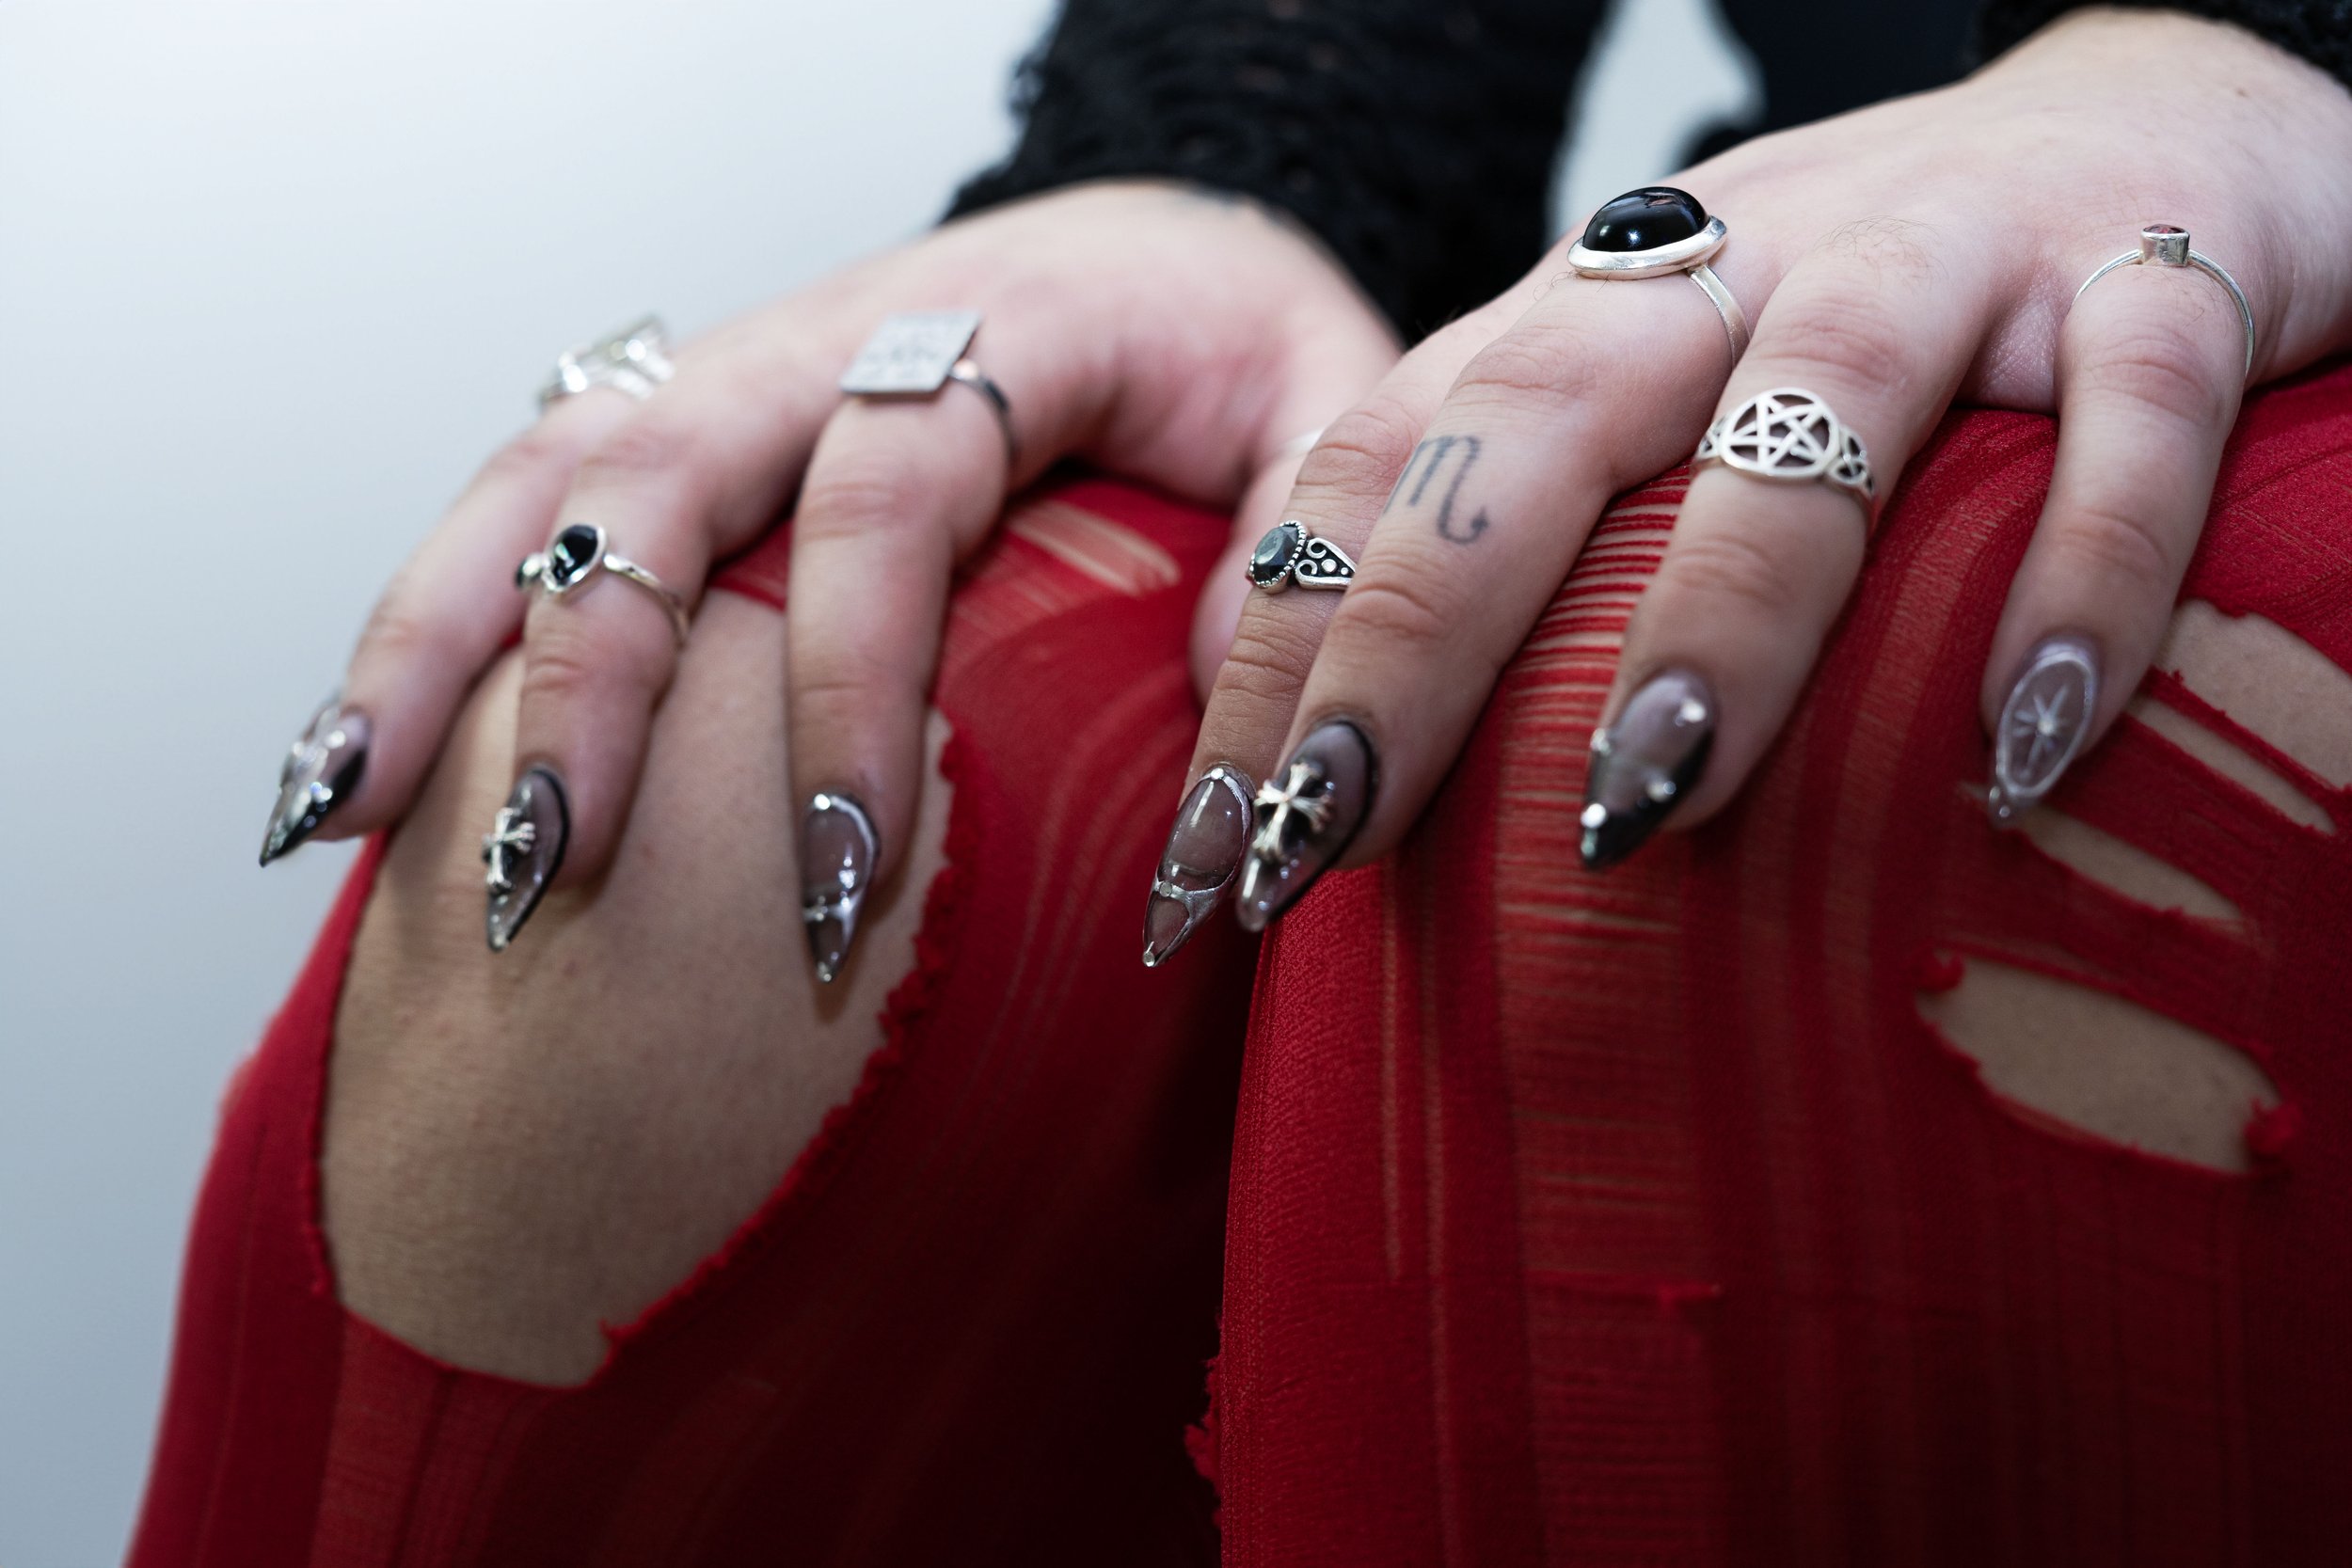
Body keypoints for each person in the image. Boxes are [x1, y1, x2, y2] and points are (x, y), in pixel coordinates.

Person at [140, 0, 2352, 1561]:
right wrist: (1238, 144)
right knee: (700, 807)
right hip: (1946, 189)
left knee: (1800, 788)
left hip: (2217, 178)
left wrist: (2253, 41)